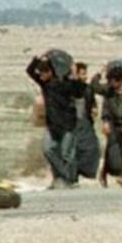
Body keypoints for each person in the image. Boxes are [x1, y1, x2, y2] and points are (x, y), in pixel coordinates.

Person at [26, 51, 86, 188]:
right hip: (52, 125)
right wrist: (40, 57)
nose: (41, 75)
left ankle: (68, 180)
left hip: (67, 124)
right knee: (48, 150)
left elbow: (80, 91)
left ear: (51, 72)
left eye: (44, 72)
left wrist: (75, 75)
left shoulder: (66, 84)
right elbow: (30, 71)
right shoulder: (45, 84)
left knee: (66, 154)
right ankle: (65, 177)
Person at [72, 62, 102, 183]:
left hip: (86, 122)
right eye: (82, 74)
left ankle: (86, 172)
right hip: (73, 123)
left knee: (91, 148)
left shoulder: (88, 88)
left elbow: (92, 103)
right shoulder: (69, 87)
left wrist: (94, 109)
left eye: (85, 74)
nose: (85, 77)